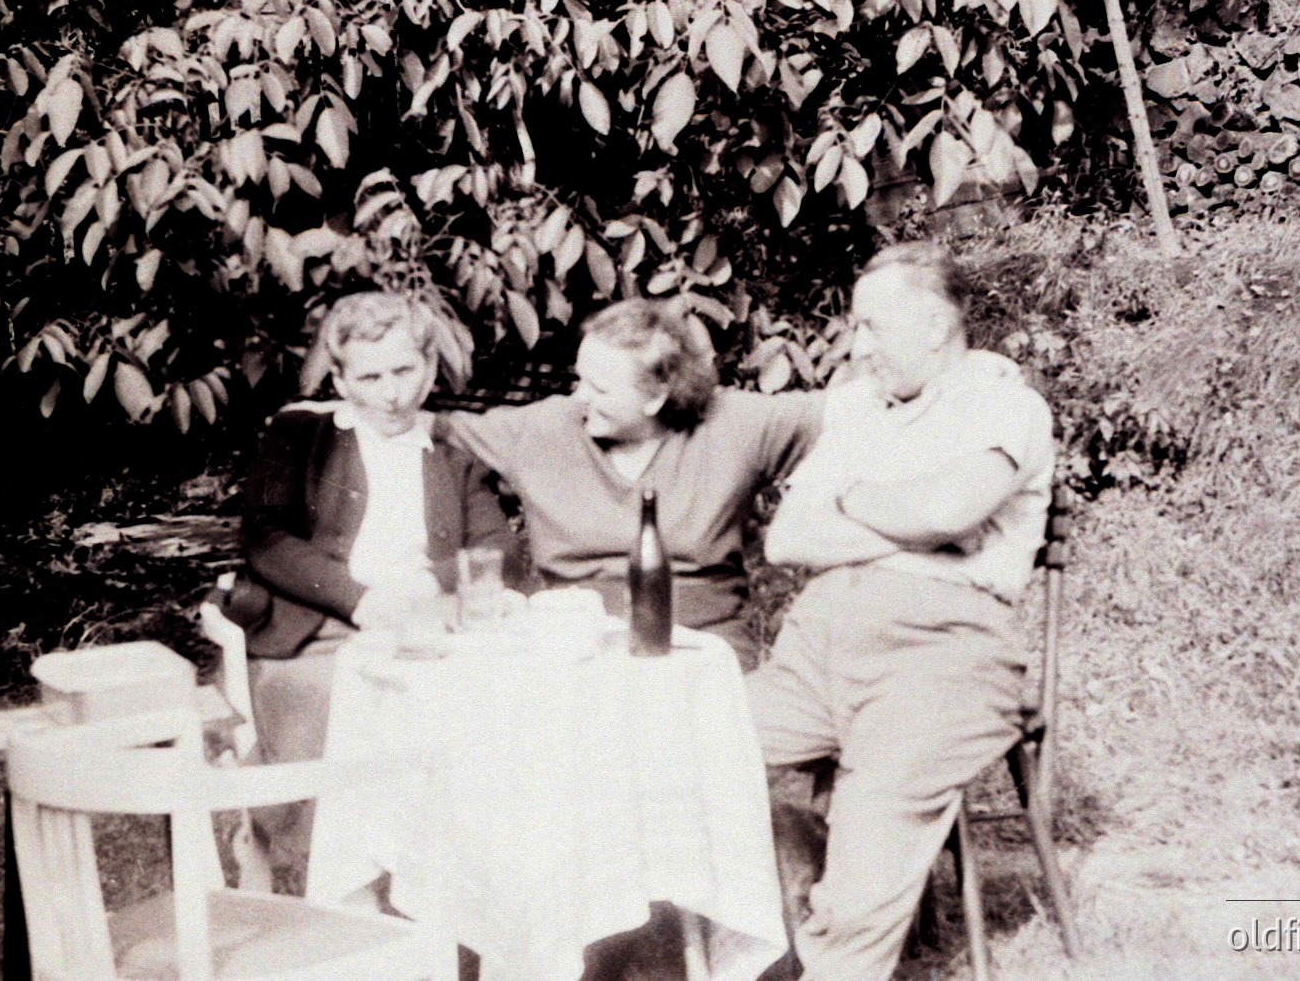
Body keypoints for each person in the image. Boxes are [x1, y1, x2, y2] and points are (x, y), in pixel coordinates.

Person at [746, 242, 1055, 980]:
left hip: (941, 654)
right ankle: (784, 902)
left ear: (933, 324)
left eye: (870, 327)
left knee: (863, 870)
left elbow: (949, 509)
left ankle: (835, 942)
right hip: (814, 649)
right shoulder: (860, 412)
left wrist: (850, 500)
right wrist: (904, 518)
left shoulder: (1005, 405)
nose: (856, 346)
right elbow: (788, 536)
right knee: (679, 744)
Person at [223, 290, 514, 867]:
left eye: (405, 370)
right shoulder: (300, 435)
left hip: (430, 628)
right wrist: (361, 602)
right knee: (328, 702)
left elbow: (496, 545)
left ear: (431, 367)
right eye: (371, 375)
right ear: (340, 378)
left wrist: (428, 585)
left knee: (494, 705)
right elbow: (265, 538)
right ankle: (339, 875)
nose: (392, 392)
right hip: (321, 627)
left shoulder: (452, 451)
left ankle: (452, 870)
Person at [445, 298, 822, 671]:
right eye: (580, 380)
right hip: (579, 649)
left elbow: (852, 412)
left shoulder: (735, 425)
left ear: (658, 395)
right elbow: (422, 430)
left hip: (705, 649)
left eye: (601, 389)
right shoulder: (541, 429)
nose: (580, 398)